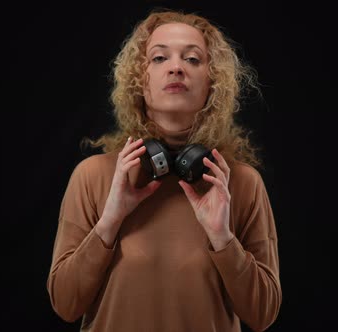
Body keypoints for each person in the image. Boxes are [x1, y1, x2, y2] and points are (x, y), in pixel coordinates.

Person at [47, 9, 282, 332]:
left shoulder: (239, 183)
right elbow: (65, 304)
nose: (176, 67)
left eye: (193, 59)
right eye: (159, 58)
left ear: (213, 84)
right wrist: (110, 222)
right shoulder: (93, 176)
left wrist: (222, 238)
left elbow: (263, 314)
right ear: (138, 81)